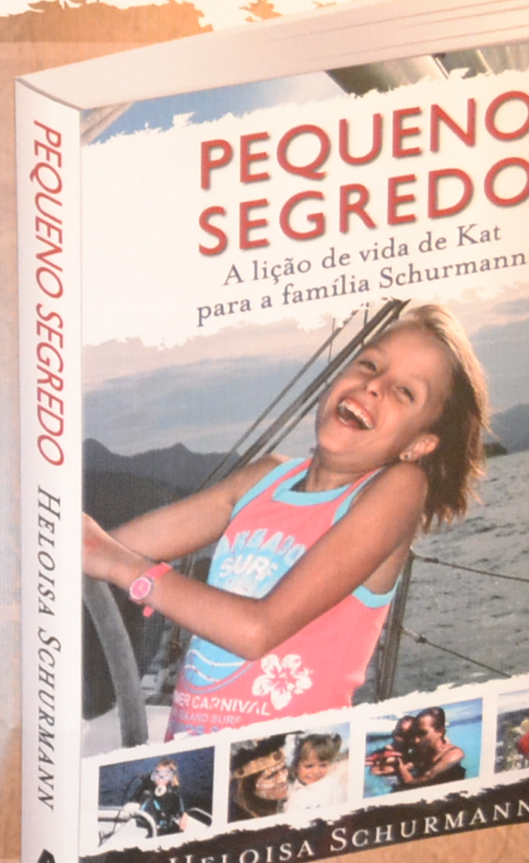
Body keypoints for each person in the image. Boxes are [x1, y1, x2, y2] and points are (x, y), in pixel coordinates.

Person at [84, 302, 489, 739]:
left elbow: (257, 631)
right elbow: (112, 545)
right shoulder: (264, 477)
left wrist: (127, 570)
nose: (374, 385)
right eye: (369, 365)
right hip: (190, 757)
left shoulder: (399, 488)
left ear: (419, 444)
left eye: (405, 392)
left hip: (290, 766)